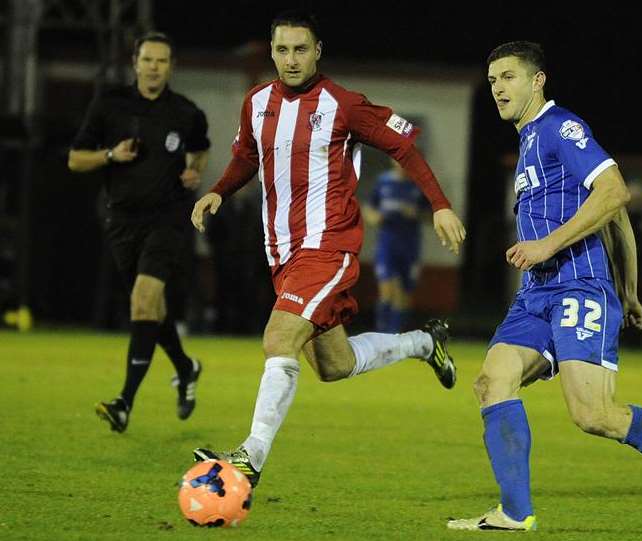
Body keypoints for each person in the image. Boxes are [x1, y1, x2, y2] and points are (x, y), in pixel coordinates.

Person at [446, 42, 642, 539]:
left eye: (507, 77)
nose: (498, 88)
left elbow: (615, 193)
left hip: (578, 288)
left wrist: (548, 246)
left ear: (537, 80)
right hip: (536, 294)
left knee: (594, 415)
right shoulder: (528, 140)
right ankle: (514, 513)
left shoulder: (559, 127)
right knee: (491, 383)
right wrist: (631, 291)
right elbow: (616, 218)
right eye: (492, 80)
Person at [189, 11, 466, 488]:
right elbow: (246, 157)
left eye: (300, 49)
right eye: (282, 50)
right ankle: (424, 342)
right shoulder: (256, 102)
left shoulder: (343, 104)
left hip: (328, 247)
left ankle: (249, 458)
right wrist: (219, 190)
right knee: (333, 366)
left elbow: (402, 147)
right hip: (282, 253)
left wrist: (439, 205)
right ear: (271, 51)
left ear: (317, 51)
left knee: (279, 339)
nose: (291, 59)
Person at [68, 31, 209, 433]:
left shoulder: (186, 112)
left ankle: (124, 403)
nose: (154, 67)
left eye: (162, 61)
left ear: (171, 67)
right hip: (122, 222)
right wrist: (111, 155)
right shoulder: (109, 105)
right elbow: (75, 160)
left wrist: (193, 170)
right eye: (148, 60)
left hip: (167, 219)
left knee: (144, 302)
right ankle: (186, 368)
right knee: (151, 312)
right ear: (135, 63)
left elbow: (200, 148)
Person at [364, 158, 431, 333]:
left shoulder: (418, 185)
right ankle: (382, 333)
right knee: (387, 290)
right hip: (387, 243)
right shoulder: (383, 182)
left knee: (404, 294)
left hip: (410, 245)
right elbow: (369, 209)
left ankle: (396, 333)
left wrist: (416, 213)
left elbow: (431, 215)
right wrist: (374, 217)